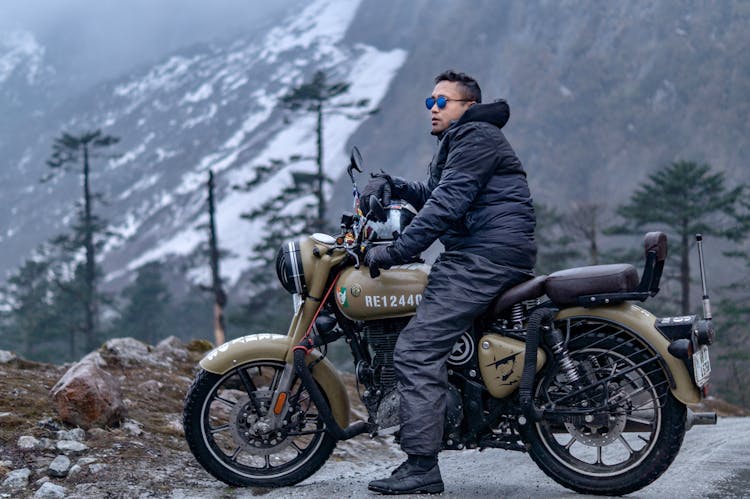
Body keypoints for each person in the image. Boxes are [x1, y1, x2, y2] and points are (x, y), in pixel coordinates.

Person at [362, 70, 537, 495]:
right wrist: (394, 185)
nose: (434, 108)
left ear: (468, 107)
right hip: (485, 253)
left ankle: (421, 466)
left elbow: (445, 205)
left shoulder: (475, 137)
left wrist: (393, 251)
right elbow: (436, 191)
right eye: (430, 101)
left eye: (443, 101)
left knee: (418, 348)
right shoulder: (464, 141)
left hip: (483, 257)